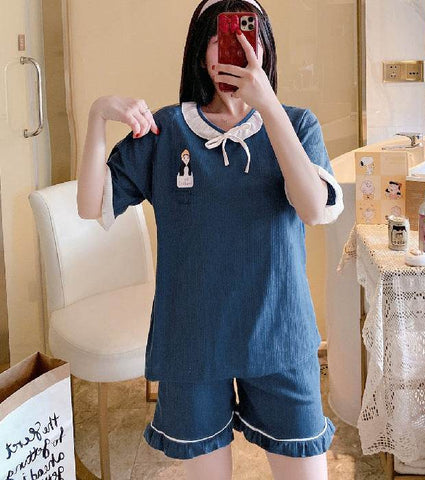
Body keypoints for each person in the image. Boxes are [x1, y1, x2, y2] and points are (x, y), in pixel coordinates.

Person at [77, 0, 344, 478]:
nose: (231, 49)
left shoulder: (297, 124)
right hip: (192, 343)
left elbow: (312, 209)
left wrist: (267, 105)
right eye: (218, 39)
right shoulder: (166, 130)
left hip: (280, 337)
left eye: (245, 36)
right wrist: (99, 113)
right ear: (200, 53)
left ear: (264, 48)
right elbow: (89, 204)